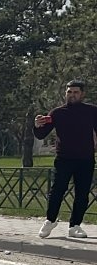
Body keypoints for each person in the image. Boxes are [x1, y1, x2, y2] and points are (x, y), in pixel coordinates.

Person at [34, 79, 97, 238]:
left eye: (76, 92)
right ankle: (50, 220)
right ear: (65, 93)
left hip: (85, 159)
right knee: (57, 191)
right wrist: (37, 125)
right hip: (64, 159)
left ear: (82, 94)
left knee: (82, 194)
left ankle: (75, 226)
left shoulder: (92, 111)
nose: (72, 95)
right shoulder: (57, 113)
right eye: (69, 92)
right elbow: (41, 134)